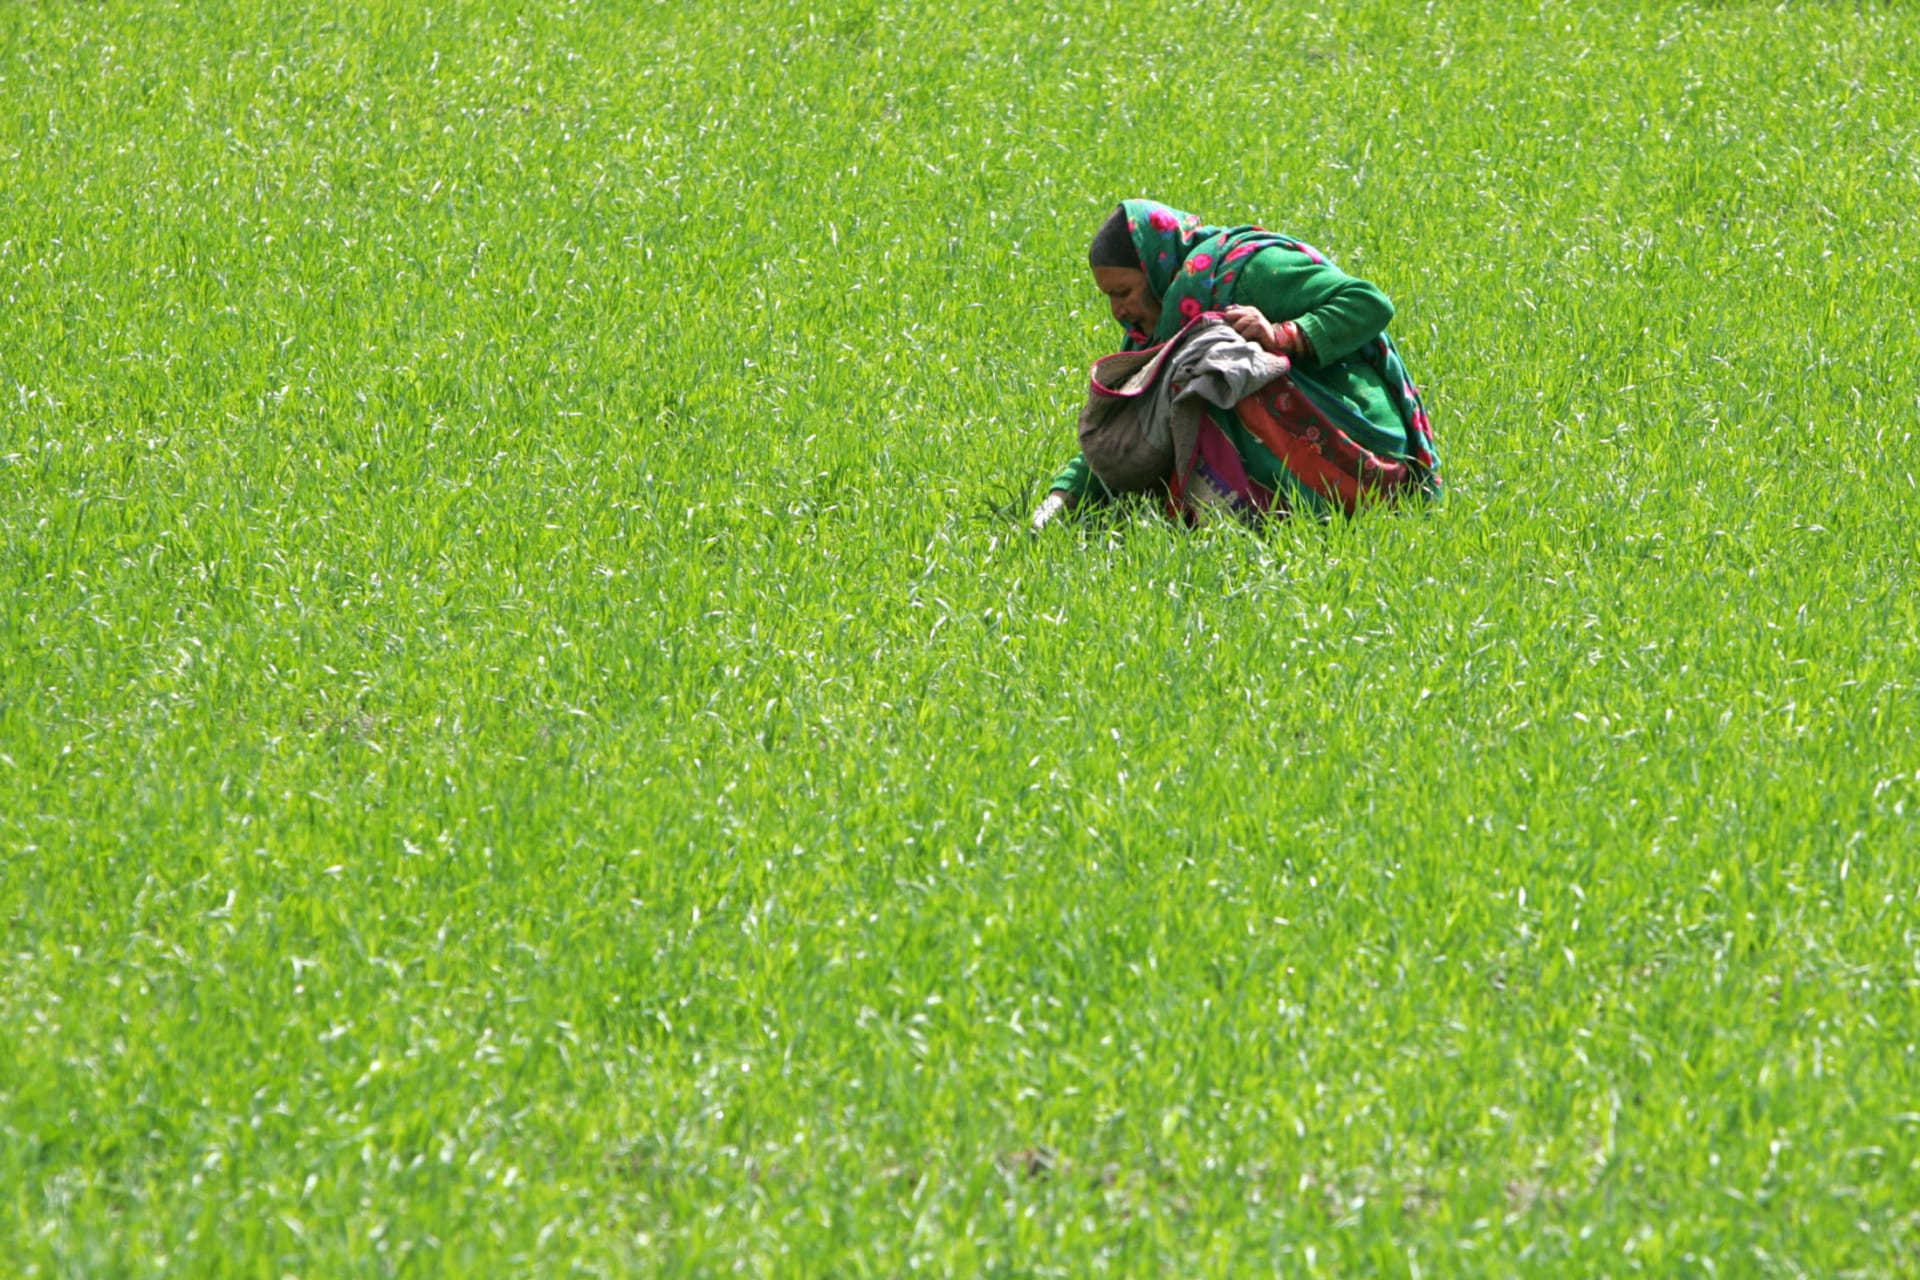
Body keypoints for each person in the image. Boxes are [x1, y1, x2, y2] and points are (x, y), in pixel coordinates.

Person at [1032, 199, 1440, 529]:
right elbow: (1134, 418)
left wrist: (1284, 335)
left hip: (1360, 443)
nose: (1119, 310)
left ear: (1155, 268)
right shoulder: (1160, 323)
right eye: (1109, 297)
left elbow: (1370, 303)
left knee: (1212, 363)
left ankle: (1276, 516)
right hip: (1309, 442)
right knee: (1187, 369)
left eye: (1124, 292)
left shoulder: (1243, 272)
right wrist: (1059, 501)